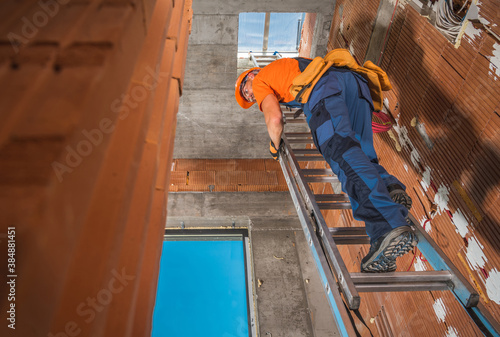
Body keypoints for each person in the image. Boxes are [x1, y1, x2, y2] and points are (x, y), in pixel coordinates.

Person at [235, 51, 418, 272]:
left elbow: (275, 119)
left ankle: (386, 225)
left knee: (342, 154)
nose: (252, 96)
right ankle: (389, 188)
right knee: (360, 155)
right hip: (353, 84)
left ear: (252, 74)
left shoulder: (262, 80)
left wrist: (274, 147)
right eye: (249, 98)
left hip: (323, 92)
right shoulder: (284, 69)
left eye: (247, 91)